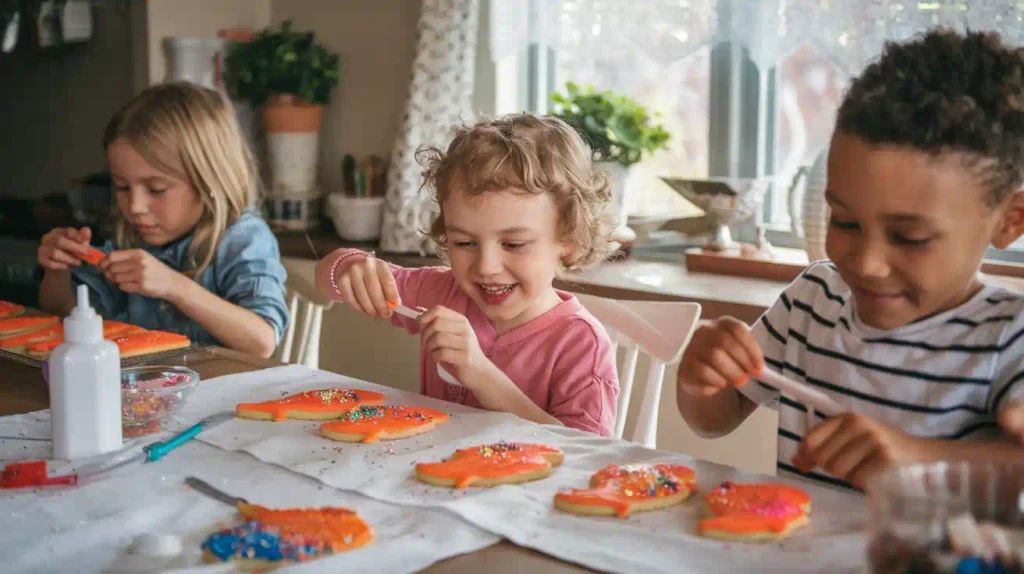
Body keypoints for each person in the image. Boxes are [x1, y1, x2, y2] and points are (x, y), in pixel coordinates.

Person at [676, 29, 1024, 489]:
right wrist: (701, 377)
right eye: (845, 222)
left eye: (909, 237)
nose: (867, 263)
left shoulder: (1007, 337)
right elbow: (715, 420)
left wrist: (919, 459)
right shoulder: (812, 301)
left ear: (1009, 221)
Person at [315, 114, 620, 435]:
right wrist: (349, 266)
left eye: (513, 244)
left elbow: (587, 454)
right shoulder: (443, 292)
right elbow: (327, 280)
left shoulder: (581, 344)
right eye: (464, 242)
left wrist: (479, 372)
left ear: (568, 242)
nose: (486, 266)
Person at [38, 82, 288, 357]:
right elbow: (65, 319)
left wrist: (174, 286)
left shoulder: (242, 239)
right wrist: (57, 271)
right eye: (122, 187)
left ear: (209, 181)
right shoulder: (128, 240)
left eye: (156, 189)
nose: (135, 206)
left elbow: (263, 340)